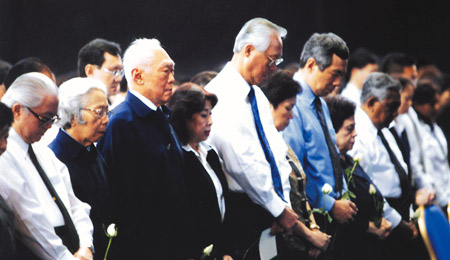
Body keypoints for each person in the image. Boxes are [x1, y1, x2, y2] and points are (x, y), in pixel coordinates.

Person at [205, 18, 299, 259]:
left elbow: (277, 151)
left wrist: (282, 204)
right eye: (271, 60)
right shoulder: (220, 93)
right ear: (248, 50)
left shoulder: (256, 93)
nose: (275, 67)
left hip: (269, 207)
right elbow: (241, 163)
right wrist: (277, 209)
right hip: (244, 208)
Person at [97, 38, 189, 259]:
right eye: (165, 72)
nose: (172, 79)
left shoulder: (161, 116)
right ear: (137, 76)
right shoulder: (121, 124)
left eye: (173, 71)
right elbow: (122, 203)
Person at [0, 72, 94, 260]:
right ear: (17, 111)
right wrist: (64, 257)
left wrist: (85, 245)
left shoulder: (43, 152)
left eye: (53, 119)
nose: (50, 126)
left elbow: (75, 204)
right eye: (44, 118)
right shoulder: (5, 156)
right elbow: (29, 220)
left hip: (72, 248)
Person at [282, 32, 357, 258]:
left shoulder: (320, 103)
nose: (337, 84)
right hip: (313, 219)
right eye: (334, 74)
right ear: (312, 65)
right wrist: (330, 205)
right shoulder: (290, 103)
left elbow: (330, 157)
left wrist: (342, 196)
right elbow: (294, 171)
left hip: (335, 216)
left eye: (341, 76)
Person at [348, 72, 432, 260]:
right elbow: (366, 188)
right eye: (391, 107)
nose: (395, 114)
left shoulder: (383, 129)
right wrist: (396, 221)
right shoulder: (359, 134)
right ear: (371, 103)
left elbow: (400, 170)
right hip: (382, 219)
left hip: (400, 211)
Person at [260, 70, 330, 259]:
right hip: (281, 243)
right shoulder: (260, 147)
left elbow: (301, 192)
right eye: (288, 108)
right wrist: (310, 236)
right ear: (268, 106)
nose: (291, 117)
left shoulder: (281, 141)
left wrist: (314, 229)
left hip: (302, 238)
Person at [48, 77, 113, 260]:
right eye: (99, 112)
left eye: (107, 112)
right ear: (74, 115)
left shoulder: (93, 150)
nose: (106, 120)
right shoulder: (54, 158)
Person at [168, 83, 233, 260]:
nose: (210, 121)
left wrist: (226, 251)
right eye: (204, 115)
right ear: (185, 118)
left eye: (210, 114)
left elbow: (222, 201)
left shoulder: (209, 152)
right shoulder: (177, 157)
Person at [325, 95, 392, 260]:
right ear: (332, 131)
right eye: (349, 129)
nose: (355, 134)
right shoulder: (328, 167)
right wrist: (368, 227)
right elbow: (338, 216)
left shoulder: (348, 160)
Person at [412, 83, 450, 209]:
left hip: (446, 193)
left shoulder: (435, 127)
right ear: (418, 104)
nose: (437, 107)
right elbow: (418, 167)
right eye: (432, 103)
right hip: (432, 196)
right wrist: (431, 192)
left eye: (437, 102)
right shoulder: (416, 131)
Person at [77, 38, 123, 108]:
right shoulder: (72, 111)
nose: (119, 78)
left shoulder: (116, 107)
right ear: (90, 71)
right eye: (114, 72)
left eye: (120, 71)